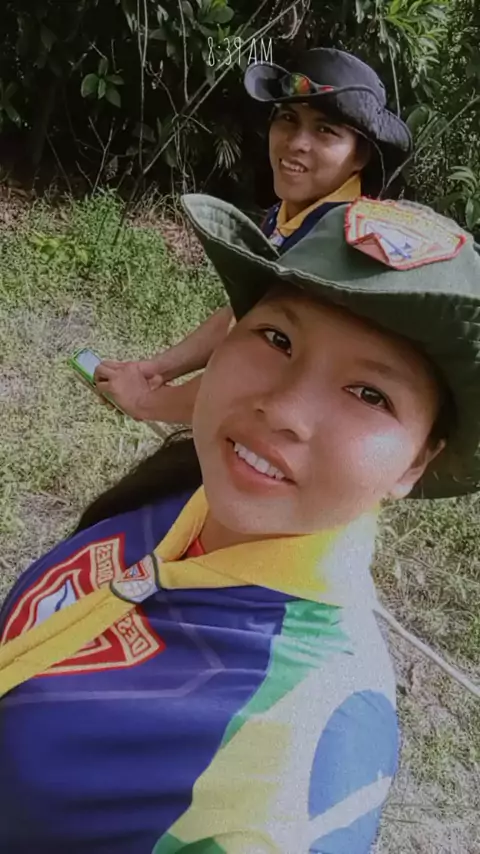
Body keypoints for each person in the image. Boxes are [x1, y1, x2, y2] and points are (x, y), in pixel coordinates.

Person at [0, 193, 477, 854]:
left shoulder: (293, 764)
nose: (283, 410)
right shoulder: (187, 494)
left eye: (370, 393)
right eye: (278, 339)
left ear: (417, 462)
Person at [94, 47, 413, 425]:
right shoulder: (296, 213)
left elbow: (259, 374)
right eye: (288, 118)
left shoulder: (342, 249)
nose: (297, 142)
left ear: (360, 156)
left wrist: (146, 403)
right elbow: (245, 316)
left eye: (325, 130)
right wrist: (155, 369)